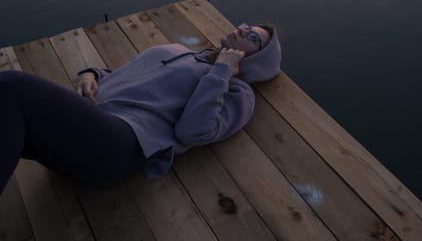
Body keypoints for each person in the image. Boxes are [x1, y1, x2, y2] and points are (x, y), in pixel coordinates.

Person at [0, 23, 281, 195]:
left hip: (120, 144)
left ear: (255, 60)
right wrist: (92, 74)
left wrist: (222, 70)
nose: (243, 30)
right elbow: (125, 74)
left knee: (11, 85)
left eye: (253, 38)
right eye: (246, 26)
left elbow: (193, 132)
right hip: (88, 127)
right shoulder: (181, 51)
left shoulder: (236, 91)